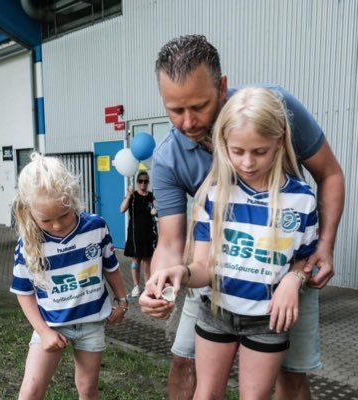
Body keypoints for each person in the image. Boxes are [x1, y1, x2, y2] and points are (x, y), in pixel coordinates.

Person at [139, 35, 345, 400]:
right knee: (182, 360)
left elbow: (329, 174)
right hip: (215, 279)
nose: (187, 122)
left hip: (282, 272)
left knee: (292, 375)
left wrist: (322, 250)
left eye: (199, 107)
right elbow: (172, 243)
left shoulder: (275, 109)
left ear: (221, 87)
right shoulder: (170, 158)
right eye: (174, 110)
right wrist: (161, 282)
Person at [10, 152, 128, 400]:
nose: (56, 225)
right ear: (30, 211)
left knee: (87, 390)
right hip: (51, 324)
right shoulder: (28, 243)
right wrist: (42, 331)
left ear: (73, 199)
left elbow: (111, 267)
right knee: (30, 391)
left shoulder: (96, 227)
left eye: (63, 214)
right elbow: (24, 293)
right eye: (45, 219)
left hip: (92, 324)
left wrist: (122, 300)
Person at [120, 170, 158, 297]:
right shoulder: (133, 196)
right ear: (137, 182)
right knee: (135, 260)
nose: (143, 184)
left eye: (146, 181)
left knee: (147, 262)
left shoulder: (152, 197)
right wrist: (129, 195)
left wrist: (156, 208)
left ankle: (148, 287)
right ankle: (136, 286)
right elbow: (122, 209)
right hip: (135, 234)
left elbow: (158, 213)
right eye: (140, 181)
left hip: (149, 233)